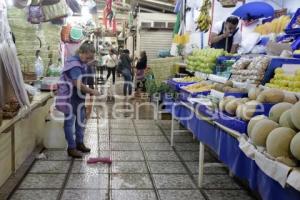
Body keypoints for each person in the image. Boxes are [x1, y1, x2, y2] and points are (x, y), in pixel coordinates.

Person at [59, 40, 100, 158]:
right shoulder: (74, 65)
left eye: (90, 58)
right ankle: (71, 148)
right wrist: (92, 91)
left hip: (78, 96)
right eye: (87, 58)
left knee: (80, 121)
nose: (87, 60)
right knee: (69, 122)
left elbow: (82, 65)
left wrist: (88, 64)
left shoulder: (79, 60)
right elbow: (78, 84)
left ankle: (79, 143)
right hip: (70, 96)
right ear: (81, 52)